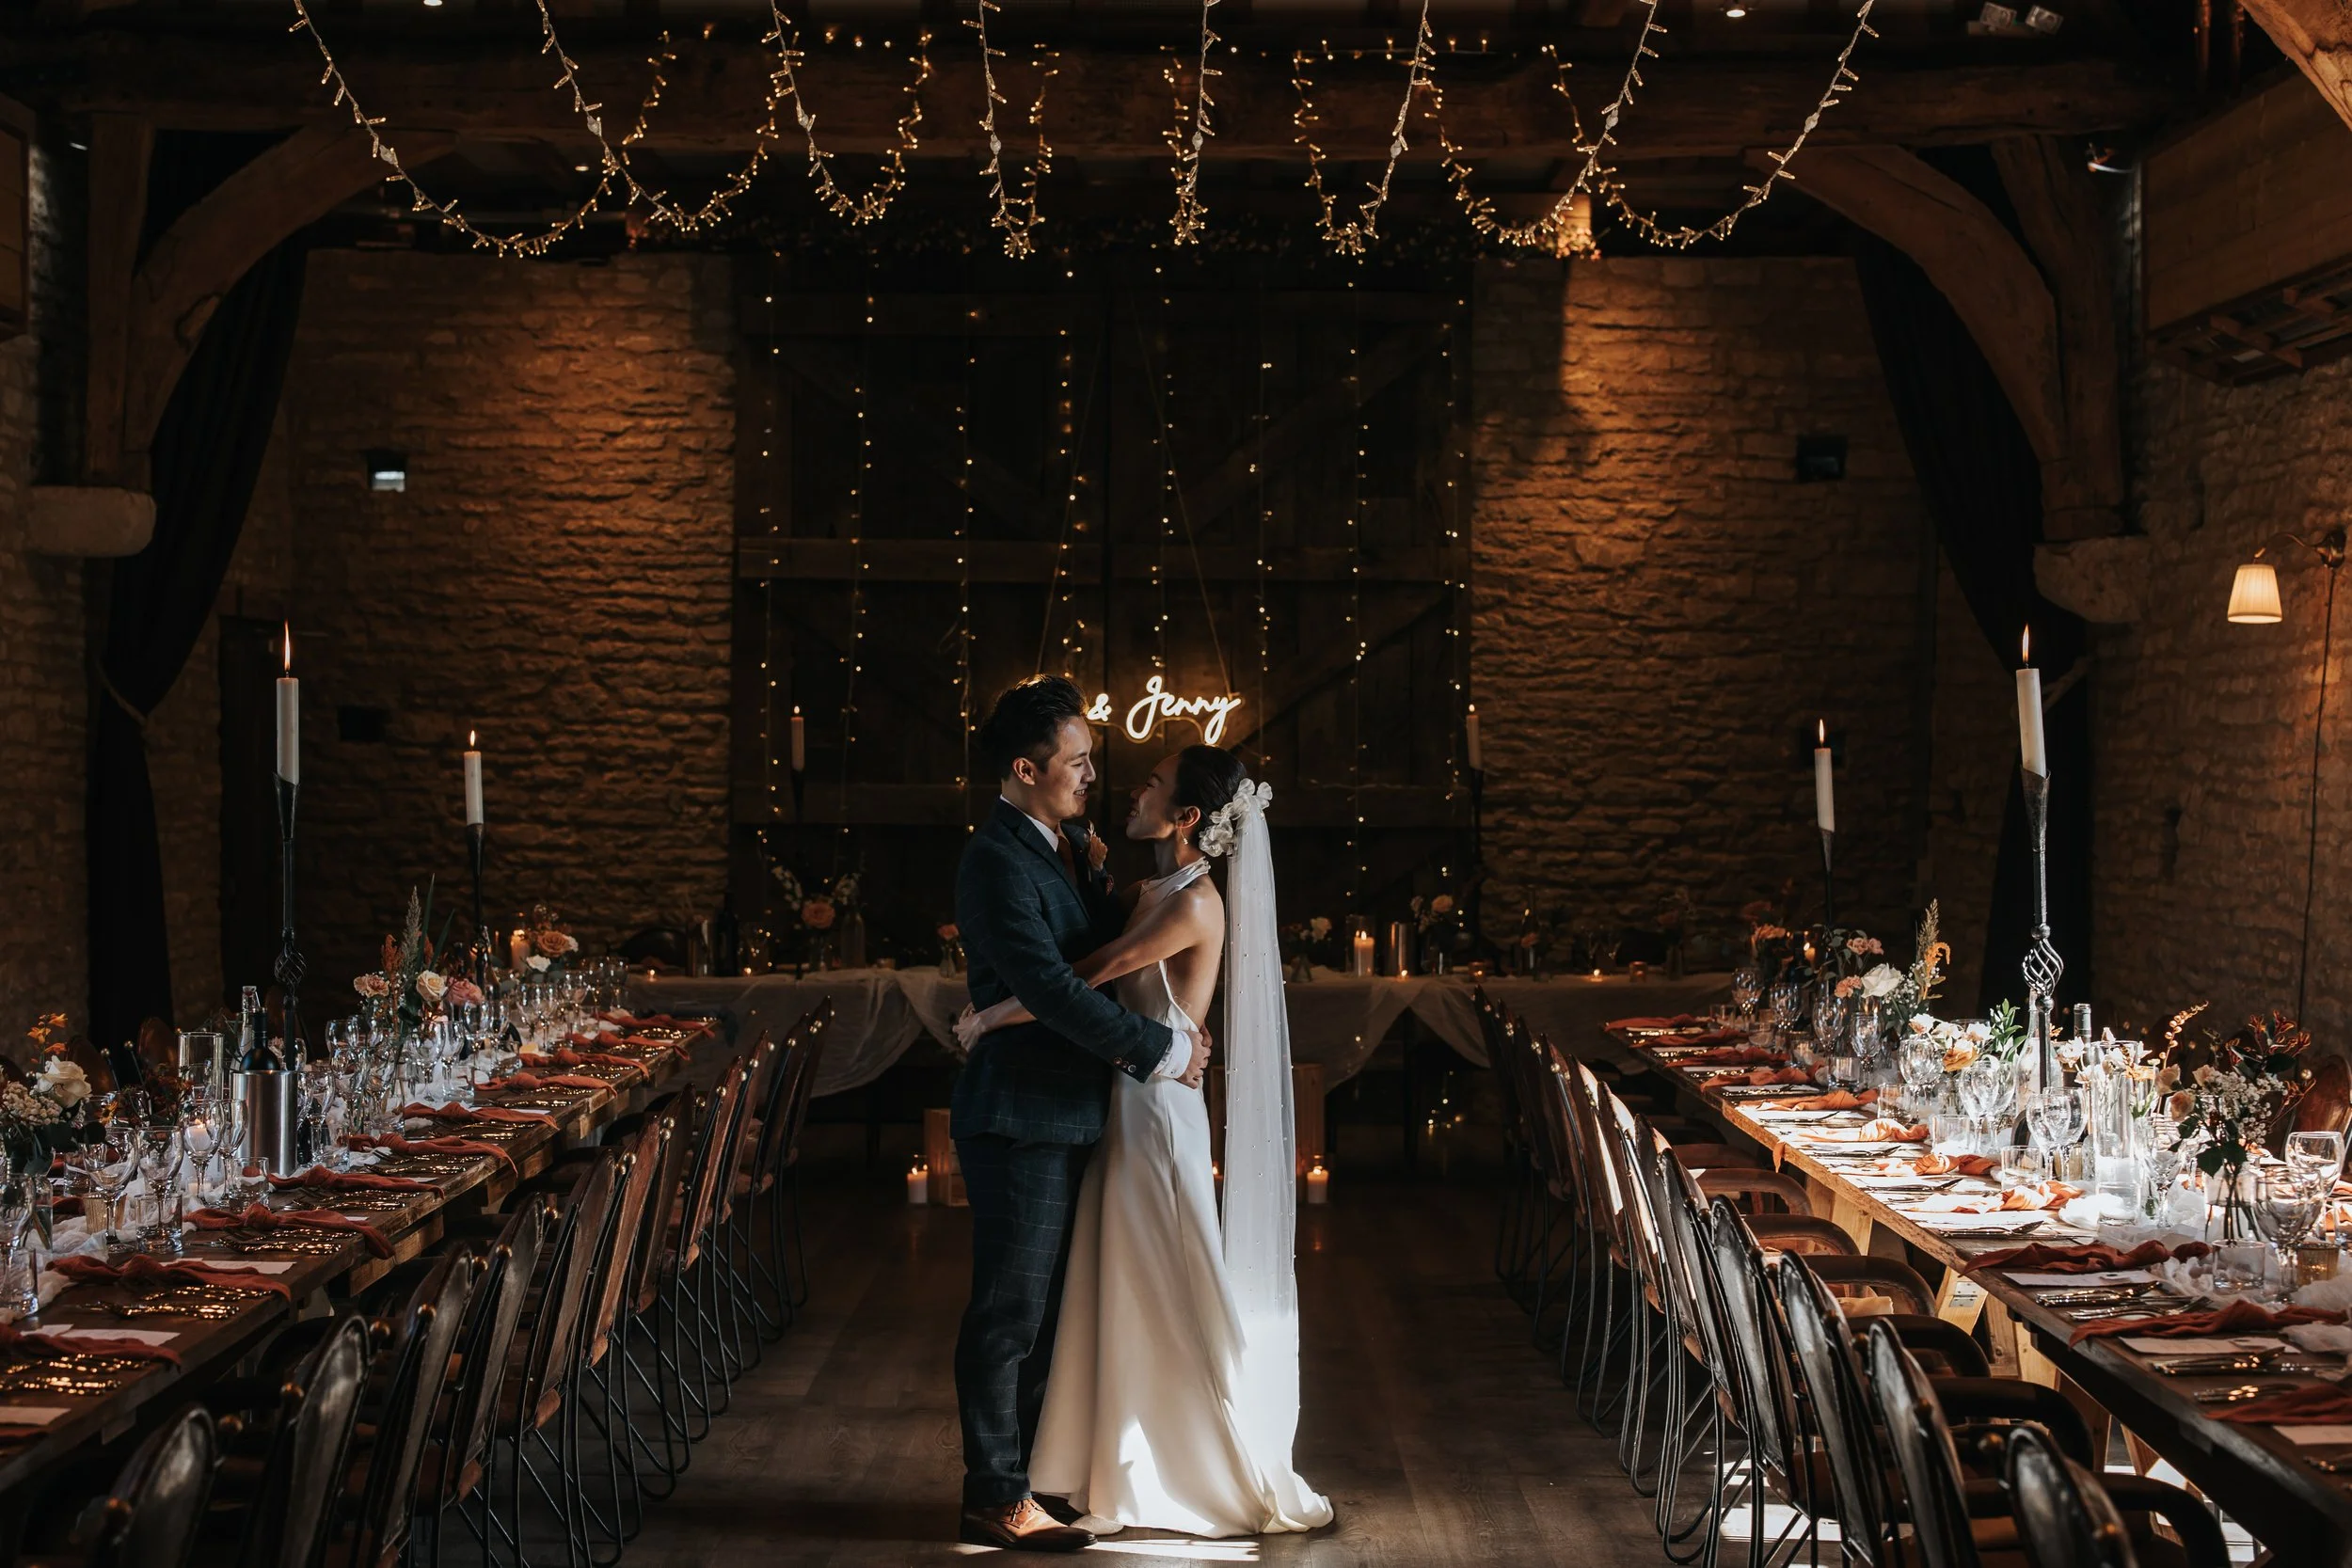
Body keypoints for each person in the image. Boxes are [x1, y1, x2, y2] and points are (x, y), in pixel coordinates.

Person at [958, 742, 1332, 1539]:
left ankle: (1204, 1460)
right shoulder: (1149, 887)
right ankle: (1108, 1459)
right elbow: (1095, 934)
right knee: (1119, 1281)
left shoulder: (1196, 902)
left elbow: (1088, 973)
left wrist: (990, 1014)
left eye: (1153, 784)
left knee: (1168, 1273)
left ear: (1187, 816)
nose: (1132, 787)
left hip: (1158, 1113)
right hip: (1124, 1106)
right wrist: (1091, 869)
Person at [949, 675, 1214, 1552]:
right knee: (1009, 1312)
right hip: (1020, 1112)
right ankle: (993, 1493)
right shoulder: (994, 859)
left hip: (1070, 1109)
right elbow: (1055, 989)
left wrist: (1101, 872)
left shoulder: (1061, 844)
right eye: (1076, 762)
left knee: (1051, 1316)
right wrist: (1161, 1049)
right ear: (1026, 768)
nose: (1090, 776)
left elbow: (1099, 950)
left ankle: (1031, 1480)